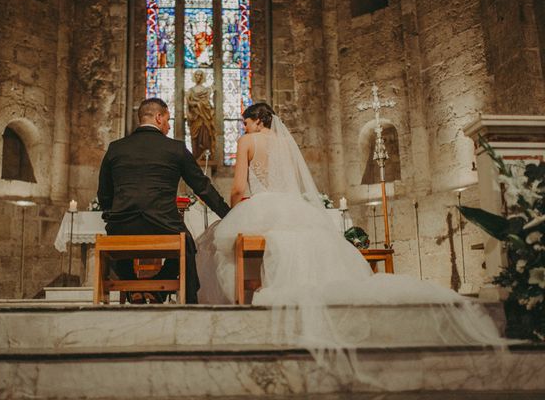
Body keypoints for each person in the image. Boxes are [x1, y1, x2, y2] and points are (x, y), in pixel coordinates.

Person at [195, 102, 505, 351]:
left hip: (262, 206)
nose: (245, 127)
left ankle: (243, 306)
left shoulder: (248, 140)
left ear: (256, 121)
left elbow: (238, 189)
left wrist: (238, 211)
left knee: (217, 241)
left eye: (246, 122)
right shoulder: (287, 146)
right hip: (294, 209)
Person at [97, 98, 230, 304]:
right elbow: (202, 187)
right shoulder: (175, 148)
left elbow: (104, 194)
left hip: (122, 225)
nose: (168, 126)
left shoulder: (116, 148)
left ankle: (134, 288)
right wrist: (228, 215)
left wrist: (113, 215)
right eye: (167, 120)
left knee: (114, 235)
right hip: (163, 224)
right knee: (187, 244)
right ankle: (159, 288)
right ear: (158, 117)